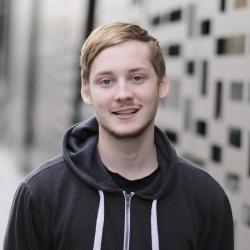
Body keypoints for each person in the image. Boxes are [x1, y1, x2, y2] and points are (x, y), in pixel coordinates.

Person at [4, 22, 234, 250]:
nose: (123, 94)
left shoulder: (205, 199)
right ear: (86, 92)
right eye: (106, 81)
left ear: (162, 84)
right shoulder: (40, 193)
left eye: (137, 78)